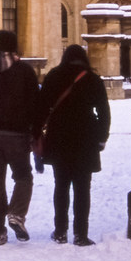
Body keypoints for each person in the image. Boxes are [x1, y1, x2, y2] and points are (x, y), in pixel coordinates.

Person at [34, 43, 110, 247]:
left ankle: (60, 231)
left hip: (59, 138)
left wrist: (36, 135)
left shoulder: (53, 76)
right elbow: (103, 112)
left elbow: (42, 108)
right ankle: (81, 234)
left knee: (61, 186)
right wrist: (102, 138)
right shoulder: (92, 79)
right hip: (86, 138)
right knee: (83, 189)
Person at [0, 29, 40, 245]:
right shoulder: (25, 70)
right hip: (18, 135)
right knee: (23, 177)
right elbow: (35, 104)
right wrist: (35, 130)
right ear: (14, 46)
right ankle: (17, 213)